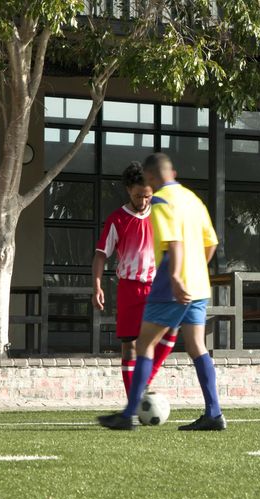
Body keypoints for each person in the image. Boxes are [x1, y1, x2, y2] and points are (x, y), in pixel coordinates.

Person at [98, 153, 224, 431]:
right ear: (173, 171)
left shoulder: (161, 201)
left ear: (152, 178)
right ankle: (214, 413)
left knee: (143, 345)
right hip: (199, 285)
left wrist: (177, 277)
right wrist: (193, 271)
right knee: (196, 346)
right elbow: (211, 242)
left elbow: (174, 243)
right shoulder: (192, 198)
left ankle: (129, 414)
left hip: (170, 284)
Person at [92, 162, 177, 395]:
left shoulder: (160, 213)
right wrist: (97, 285)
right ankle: (134, 400)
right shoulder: (116, 219)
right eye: (139, 196)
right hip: (129, 289)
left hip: (157, 287)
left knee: (172, 328)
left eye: (147, 196)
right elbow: (100, 256)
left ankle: (146, 380)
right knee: (129, 346)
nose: (143, 201)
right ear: (129, 190)